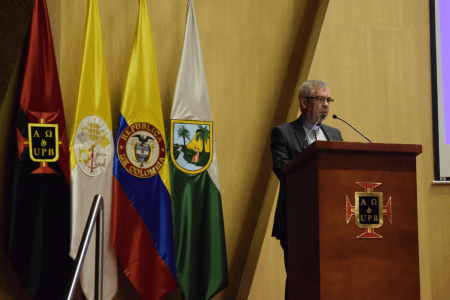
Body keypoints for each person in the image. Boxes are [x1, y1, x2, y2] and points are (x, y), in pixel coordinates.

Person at [270, 80, 343, 299]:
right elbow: (282, 169)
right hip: (297, 221)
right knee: (299, 280)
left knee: (331, 279)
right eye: (321, 99)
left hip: (331, 221)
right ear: (303, 102)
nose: (326, 105)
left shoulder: (335, 133)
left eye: (328, 100)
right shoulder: (283, 133)